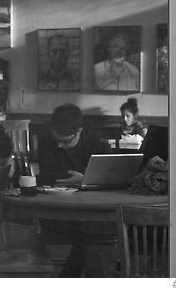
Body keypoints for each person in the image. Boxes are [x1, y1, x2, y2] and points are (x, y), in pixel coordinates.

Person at [35, 103, 111, 277]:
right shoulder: (47, 139)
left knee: (91, 232)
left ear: (80, 131)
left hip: (91, 209)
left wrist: (84, 180)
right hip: (58, 210)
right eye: (57, 140)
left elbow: (110, 177)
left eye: (65, 141)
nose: (60, 145)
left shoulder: (96, 142)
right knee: (91, 234)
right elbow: (48, 175)